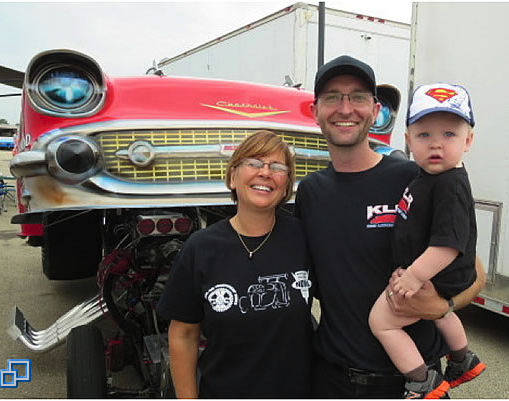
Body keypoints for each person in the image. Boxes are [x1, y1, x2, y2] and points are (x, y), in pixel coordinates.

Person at [294, 55, 486, 398]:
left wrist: (444, 306)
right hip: (332, 378)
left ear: (376, 109)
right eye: (333, 97)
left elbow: (474, 271)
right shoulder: (310, 193)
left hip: (410, 383)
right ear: (315, 111)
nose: (345, 108)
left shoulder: (417, 179)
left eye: (358, 97)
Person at [157, 130, 314, 398]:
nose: (265, 172)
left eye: (277, 167)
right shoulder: (201, 248)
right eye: (253, 163)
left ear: (286, 184)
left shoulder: (305, 239)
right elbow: (183, 335)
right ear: (232, 177)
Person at [369, 83, 486, 398]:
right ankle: (462, 358)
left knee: (381, 321)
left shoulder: (450, 185)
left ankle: (422, 381)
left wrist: (414, 275)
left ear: (468, 141)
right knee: (442, 313)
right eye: (424, 135)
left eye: (449, 135)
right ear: (408, 141)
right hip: (434, 273)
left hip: (437, 274)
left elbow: (448, 244)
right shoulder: (428, 177)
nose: (436, 145)